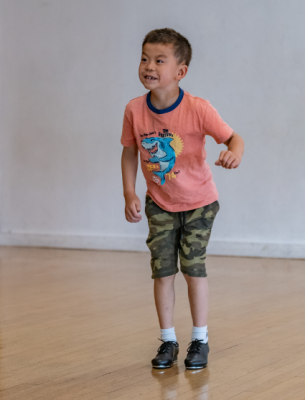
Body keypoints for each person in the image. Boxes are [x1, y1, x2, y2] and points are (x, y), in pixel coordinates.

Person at [120, 28, 244, 369]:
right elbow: (129, 153)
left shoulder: (198, 109)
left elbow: (234, 139)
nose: (149, 65)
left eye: (159, 60)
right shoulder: (134, 110)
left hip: (200, 203)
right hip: (159, 202)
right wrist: (130, 192)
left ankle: (200, 340)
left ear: (180, 71)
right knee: (162, 272)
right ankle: (168, 341)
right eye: (144, 58)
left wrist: (234, 154)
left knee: (193, 269)